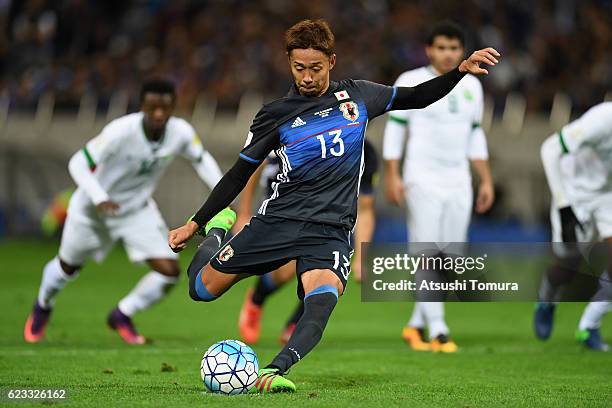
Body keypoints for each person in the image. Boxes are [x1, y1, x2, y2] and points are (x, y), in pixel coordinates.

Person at [168, 19, 499, 392]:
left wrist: (459, 72)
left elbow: (417, 97)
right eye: (299, 68)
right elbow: (238, 174)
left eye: (315, 68)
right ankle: (217, 233)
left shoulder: (359, 96)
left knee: (321, 301)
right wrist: (197, 224)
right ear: (289, 64)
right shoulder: (275, 114)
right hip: (277, 221)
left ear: (331, 62)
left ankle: (274, 372)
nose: (307, 77)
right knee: (200, 289)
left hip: (329, 232)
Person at [24, 79, 224, 345]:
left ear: (173, 107)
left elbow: (201, 160)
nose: (159, 114)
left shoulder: (181, 132)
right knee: (67, 267)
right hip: (92, 210)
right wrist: (99, 197)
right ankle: (43, 305)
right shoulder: (121, 131)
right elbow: (79, 163)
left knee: (169, 271)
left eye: (165, 108)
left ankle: (122, 314)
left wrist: (223, 193)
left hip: (135, 210)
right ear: (142, 106)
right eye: (153, 108)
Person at [383, 21, 494, 353]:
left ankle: (416, 324)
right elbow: (395, 131)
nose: (447, 54)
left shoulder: (473, 87)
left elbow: (475, 134)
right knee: (428, 253)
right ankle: (439, 330)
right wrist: (393, 174)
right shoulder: (411, 81)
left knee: (450, 257)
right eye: (441, 48)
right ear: (429, 49)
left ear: (461, 51)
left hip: (459, 179)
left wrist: (485, 178)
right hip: (422, 178)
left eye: (453, 48)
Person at [236, 140, 380, 345]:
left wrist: (361, 258)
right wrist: (244, 212)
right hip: (285, 197)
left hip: (327, 214)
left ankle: (296, 323)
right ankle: (256, 299)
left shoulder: (365, 151)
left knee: (329, 268)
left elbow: (365, 208)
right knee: (287, 268)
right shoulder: (310, 131)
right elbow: (253, 161)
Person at [535, 102, 612, 351]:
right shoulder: (602, 119)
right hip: (574, 195)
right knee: (567, 267)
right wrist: (564, 206)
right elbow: (550, 149)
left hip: (607, 197)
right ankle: (546, 300)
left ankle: (589, 326)